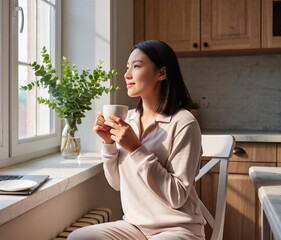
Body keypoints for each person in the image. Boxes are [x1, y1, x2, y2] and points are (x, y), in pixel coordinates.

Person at [67, 40, 206, 240]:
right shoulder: (128, 120)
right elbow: (117, 183)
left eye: (137, 66)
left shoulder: (184, 123)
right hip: (134, 227)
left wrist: (135, 148)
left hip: (178, 229)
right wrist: (109, 144)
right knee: (78, 238)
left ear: (162, 73)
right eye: (127, 67)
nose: (127, 74)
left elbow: (177, 197)